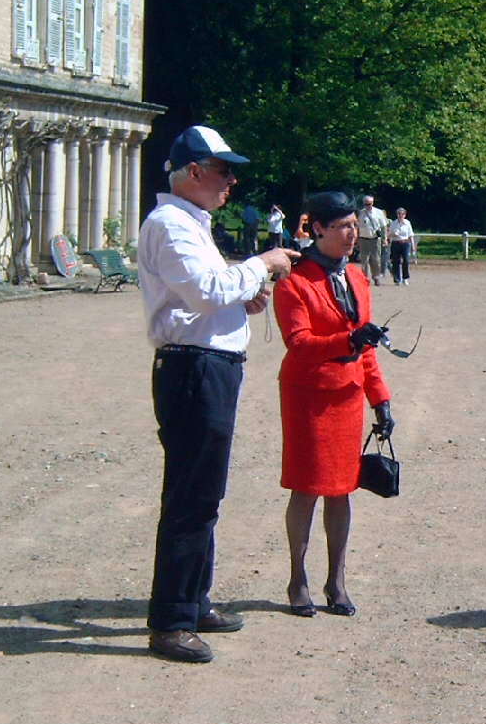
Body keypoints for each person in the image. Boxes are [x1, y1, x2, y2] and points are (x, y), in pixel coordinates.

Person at [136, 124, 296, 663]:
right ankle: (172, 620)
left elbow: (204, 292)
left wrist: (240, 294)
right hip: (193, 367)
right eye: (224, 171)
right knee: (190, 495)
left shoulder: (188, 224)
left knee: (204, 492)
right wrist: (261, 265)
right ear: (194, 172)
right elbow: (205, 290)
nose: (231, 181)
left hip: (206, 364)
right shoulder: (171, 224)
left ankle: (192, 600)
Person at [273, 192, 395, 618]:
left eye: (354, 225)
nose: (352, 233)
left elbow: (367, 349)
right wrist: (348, 340)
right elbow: (299, 344)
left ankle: (336, 580)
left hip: (347, 396)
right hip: (308, 396)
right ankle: (297, 578)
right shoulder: (293, 283)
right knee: (306, 488)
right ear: (318, 229)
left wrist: (380, 399)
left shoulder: (358, 279)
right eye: (343, 226)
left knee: (343, 489)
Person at [356, 193, 388, 286]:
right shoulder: (360, 213)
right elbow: (357, 227)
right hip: (363, 239)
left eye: (369, 204)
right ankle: (364, 278)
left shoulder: (379, 212)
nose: (368, 206)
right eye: (366, 204)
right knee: (364, 260)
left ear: (372, 203)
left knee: (376, 260)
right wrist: (356, 239)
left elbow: (384, 227)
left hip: (375, 239)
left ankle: (376, 277)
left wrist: (384, 239)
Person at [388, 207, 416, 285]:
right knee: (395, 261)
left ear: (405, 215)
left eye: (402, 214)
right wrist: (393, 234)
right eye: (399, 214)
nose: (400, 215)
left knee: (406, 260)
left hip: (405, 243)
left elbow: (410, 235)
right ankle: (397, 279)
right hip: (395, 243)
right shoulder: (393, 223)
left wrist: (413, 246)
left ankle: (405, 278)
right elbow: (389, 234)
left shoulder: (407, 223)